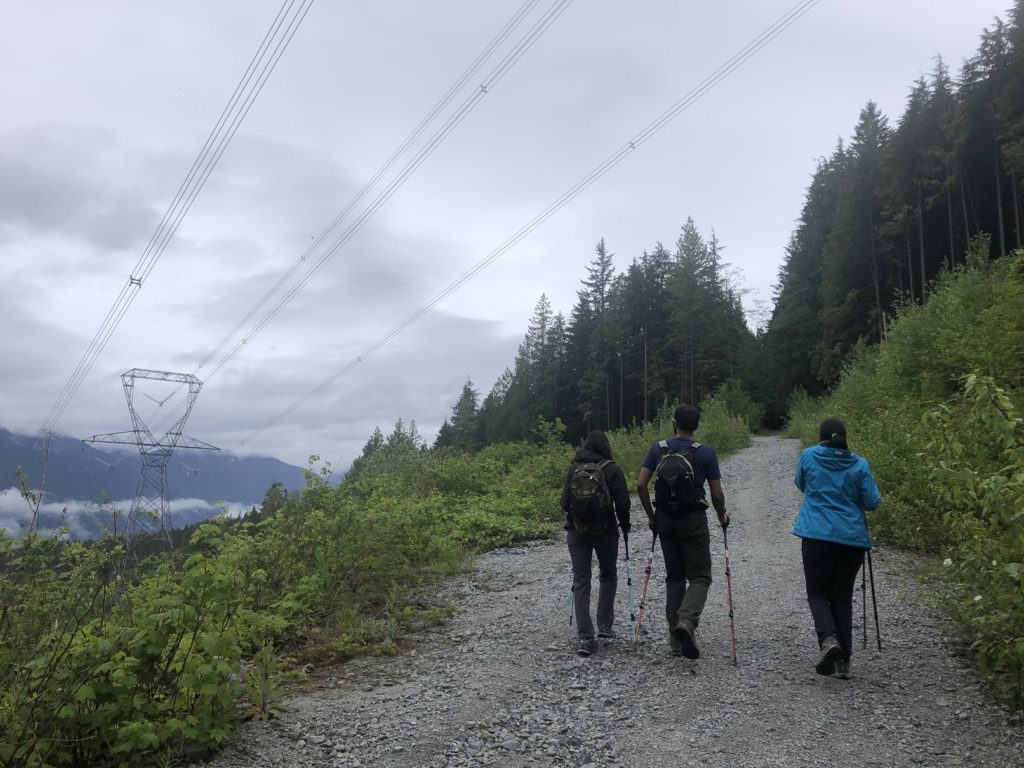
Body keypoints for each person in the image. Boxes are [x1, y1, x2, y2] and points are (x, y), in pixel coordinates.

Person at [636, 404, 729, 659]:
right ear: (696, 426)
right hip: (693, 519)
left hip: (666, 520)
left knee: (675, 577)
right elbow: (716, 494)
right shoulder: (705, 453)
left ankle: (675, 641)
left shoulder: (658, 449)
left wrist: (652, 517)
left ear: (674, 423)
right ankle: (686, 621)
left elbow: (641, 484)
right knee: (700, 577)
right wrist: (721, 516)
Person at [794, 417, 882, 679]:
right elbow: (872, 501)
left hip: (816, 536)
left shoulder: (809, 456)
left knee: (817, 593)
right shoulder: (860, 463)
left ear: (821, 437)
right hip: (851, 539)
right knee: (842, 596)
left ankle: (828, 639)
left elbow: (801, 484)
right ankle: (844, 662)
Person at [560, 430, 631, 657]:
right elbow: (623, 503)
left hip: (577, 530)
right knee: (608, 574)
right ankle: (605, 626)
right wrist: (625, 526)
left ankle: (585, 638)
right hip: (606, 531)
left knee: (581, 580)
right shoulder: (612, 469)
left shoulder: (574, 467)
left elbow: (564, 503)